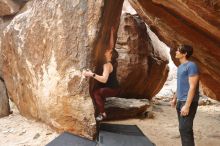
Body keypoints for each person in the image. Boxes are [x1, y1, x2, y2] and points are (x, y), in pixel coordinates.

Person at [83, 28, 120, 121]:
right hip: (115, 87)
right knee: (99, 89)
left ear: (110, 55)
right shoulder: (110, 60)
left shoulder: (107, 65)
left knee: (96, 92)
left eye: (108, 51)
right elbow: (111, 46)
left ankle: (102, 113)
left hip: (113, 89)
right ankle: (102, 105)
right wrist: (111, 32)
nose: (106, 50)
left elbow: (104, 79)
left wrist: (91, 74)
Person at [171, 44, 200, 146]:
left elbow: (192, 86)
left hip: (188, 102)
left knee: (185, 129)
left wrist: (187, 105)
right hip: (180, 101)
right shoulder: (180, 67)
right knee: (184, 129)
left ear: (185, 53)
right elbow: (180, 84)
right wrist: (175, 98)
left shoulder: (191, 66)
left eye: (178, 51)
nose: (176, 52)